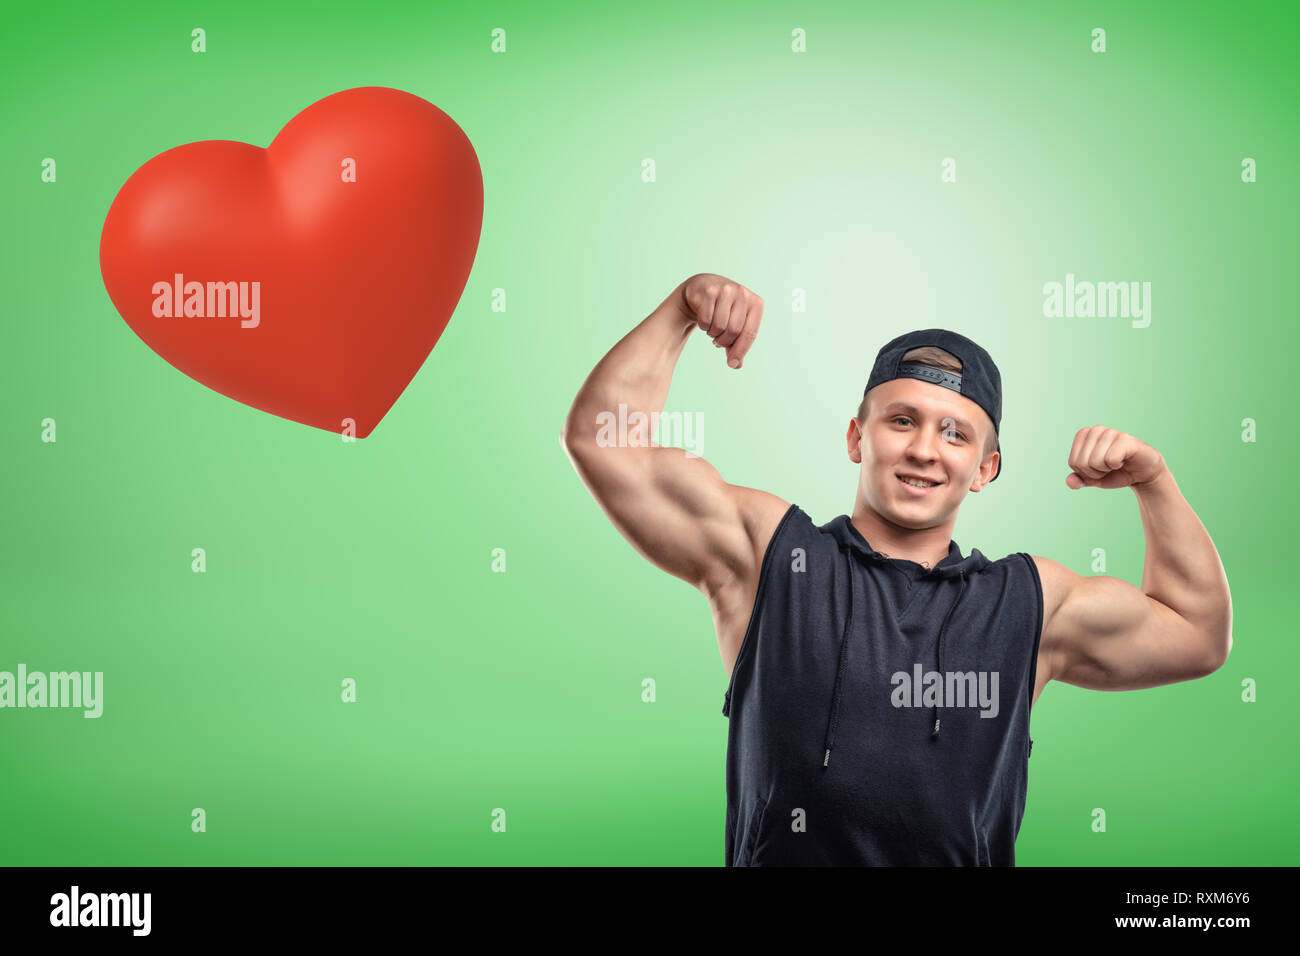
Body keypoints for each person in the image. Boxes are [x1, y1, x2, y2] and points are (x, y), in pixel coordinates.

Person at [559, 273, 1233, 866]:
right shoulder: (769, 554)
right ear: (858, 436)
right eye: (902, 420)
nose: (923, 450)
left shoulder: (1028, 604)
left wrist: (1154, 480)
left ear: (985, 468)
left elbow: (1197, 633)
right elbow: (602, 441)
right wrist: (682, 306)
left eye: (955, 433)